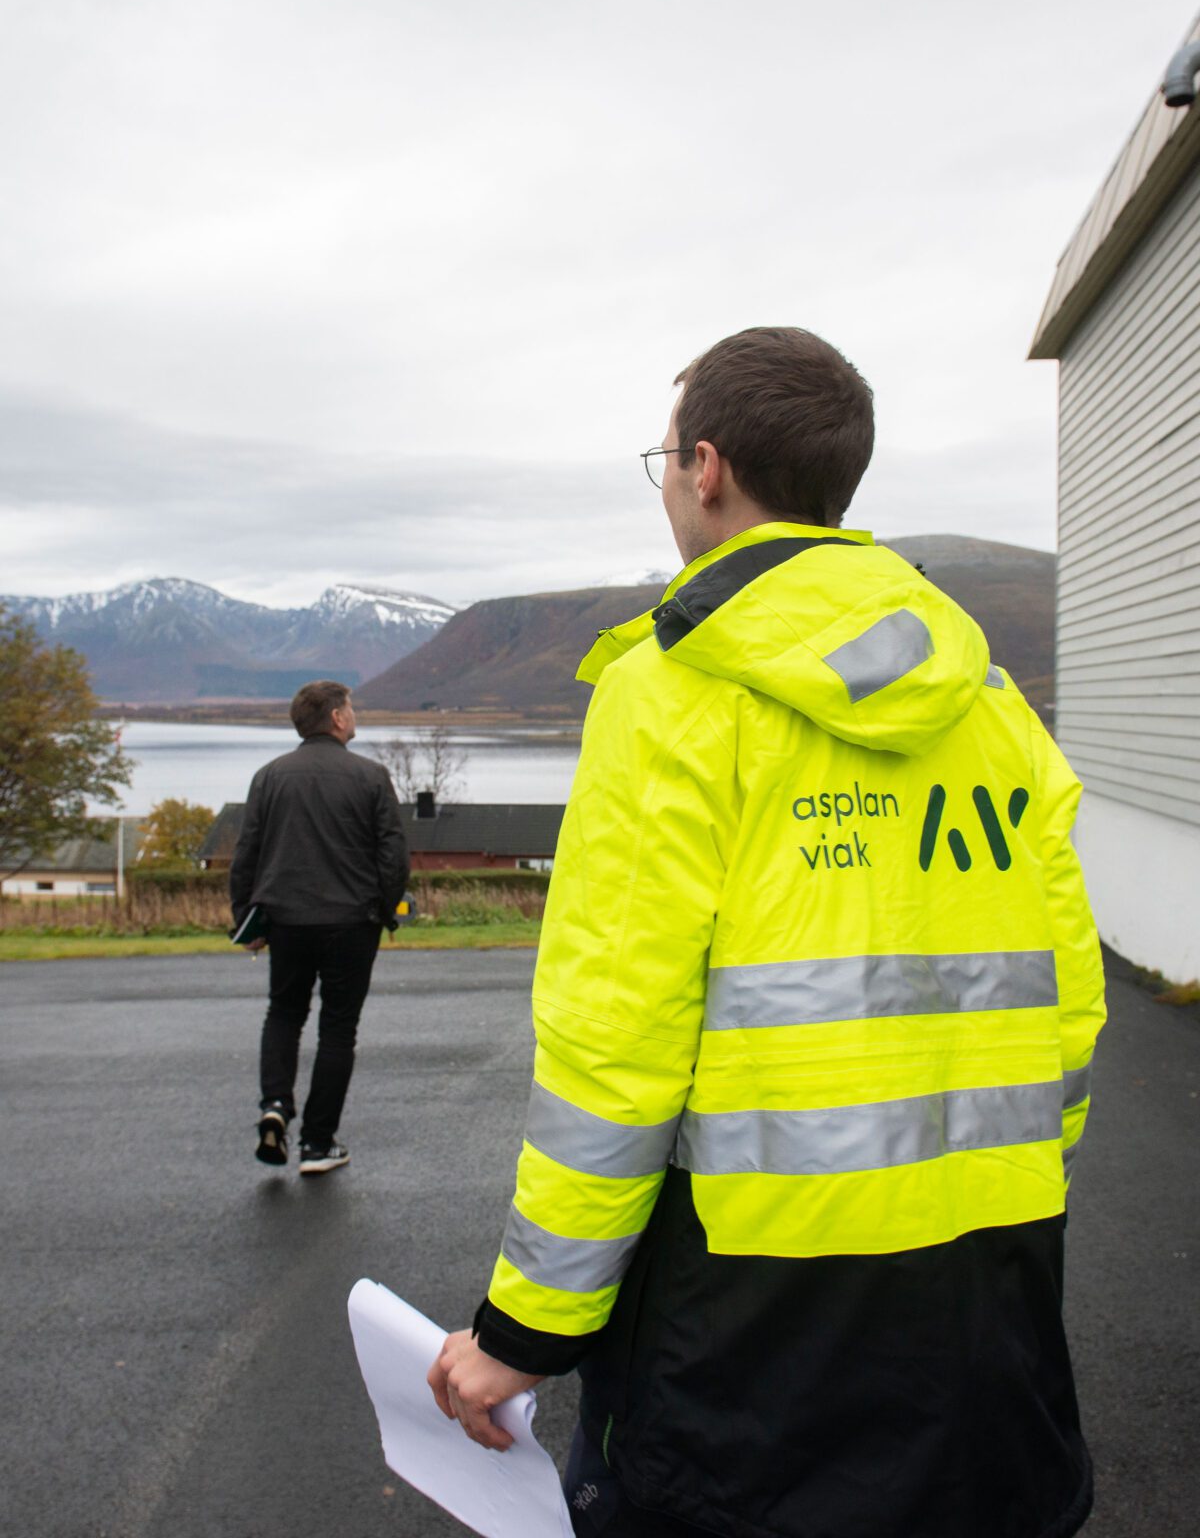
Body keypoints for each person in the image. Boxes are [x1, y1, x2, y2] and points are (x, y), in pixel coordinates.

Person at [428, 327, 1106, 1538]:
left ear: (705, 467)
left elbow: (614, 1044)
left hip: (747, 1326)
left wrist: (527, 1327)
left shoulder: (670, 695)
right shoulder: (994, 706)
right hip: (991, 1300)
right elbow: (1068, 1005)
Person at [230, 680, 408, 1176]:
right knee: (338, 1029)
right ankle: (317, 1143)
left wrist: (245, 917)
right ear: (335, 717)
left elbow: (246, 854)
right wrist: (385, 909)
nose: (354, 715)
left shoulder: (269, 777)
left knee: (284, 1014)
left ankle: (275, 1106)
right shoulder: (371, 777)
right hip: (352, 922)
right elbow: (393, 855)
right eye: (350, 708)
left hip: (286, 920)